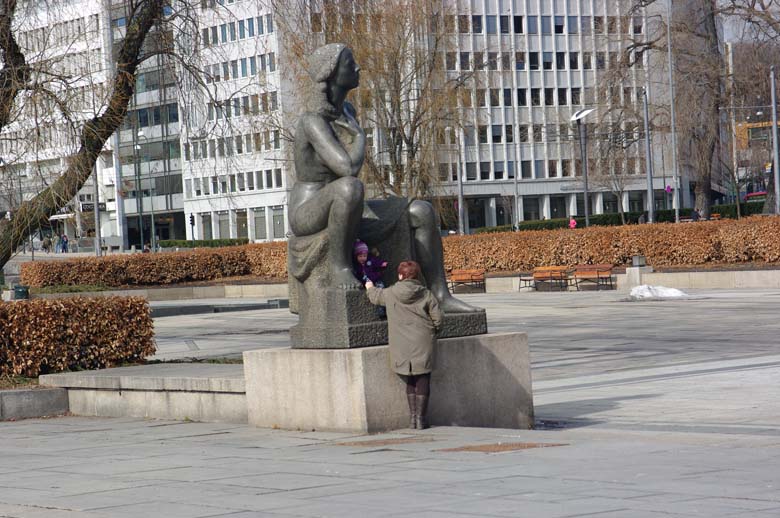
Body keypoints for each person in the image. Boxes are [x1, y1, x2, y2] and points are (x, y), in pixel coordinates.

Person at [288, 43, 477, 313]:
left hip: (350, 205)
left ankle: (440, 294)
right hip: (308, 211)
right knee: (350, 187)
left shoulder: (347, 112)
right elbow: (347, 168)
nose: (358, 67)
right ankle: (340, 267)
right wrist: (360, 136)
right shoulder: (312, 121)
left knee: (421, 211)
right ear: (331, 74)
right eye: (349, 63)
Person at [365, 260, 442, 429]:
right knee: (423, 377)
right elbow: (438, 319)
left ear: (400, 276)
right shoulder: (426, 293)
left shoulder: (391, 293)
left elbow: (375, 297)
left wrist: (369, 287)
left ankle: (412, 419)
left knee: (410, 378)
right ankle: (421, 419)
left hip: (401, 343)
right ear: (416, 276)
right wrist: (432, 331)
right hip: (423, 340)